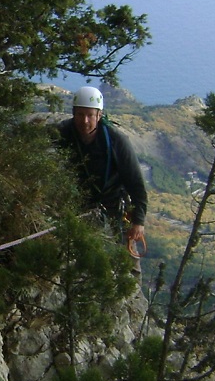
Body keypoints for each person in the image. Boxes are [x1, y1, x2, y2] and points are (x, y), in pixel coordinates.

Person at [56, 85, 147, 258]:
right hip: (78, 204)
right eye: (81, 114)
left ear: (99, 115)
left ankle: (131, 281)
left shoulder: (117, 141)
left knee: (127, 255)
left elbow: (136, 183)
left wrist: (138, 221)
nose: (85, 121)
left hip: (113, 203)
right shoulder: (63, 132)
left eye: (90, 115)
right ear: (74, 114)